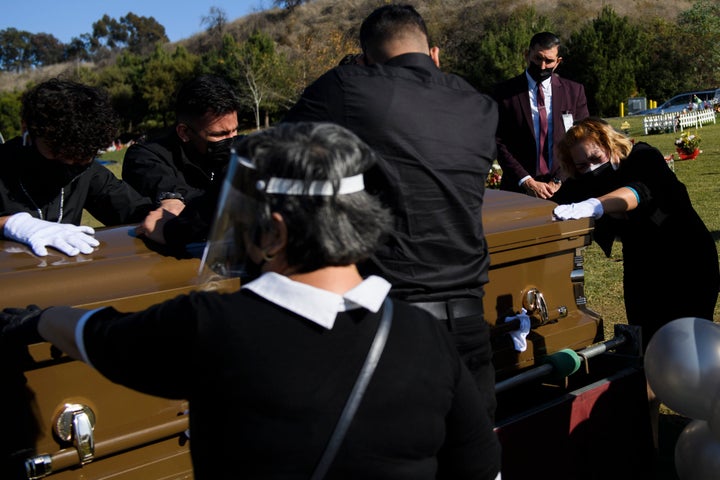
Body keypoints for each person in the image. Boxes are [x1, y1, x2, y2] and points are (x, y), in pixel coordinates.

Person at [0, 122, 502, 480]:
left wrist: (40, 319)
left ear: (274, 231)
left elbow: (98, 336)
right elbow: (480, 468)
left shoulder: (213, 327)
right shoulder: (425, 335)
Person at [282, 4, 499, 421]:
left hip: (394, 325)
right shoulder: (480, 106)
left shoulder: (347, 87)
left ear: (365, 62)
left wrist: (175, 223)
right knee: (476, 457)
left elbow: (266, 162)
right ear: (434, 55)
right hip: (472, 321)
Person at [551, 117, 720, 448]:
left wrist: (596, 205)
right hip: (643, 267)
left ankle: (709, 423)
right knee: (645, 349)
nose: (589, 169)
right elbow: (554, 206)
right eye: (580, 164)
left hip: (688, 261)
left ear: (611, 145)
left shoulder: (644, 157)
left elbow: (637, 192)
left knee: (695, 347)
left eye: (596, 159)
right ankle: (650, 440)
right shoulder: (584, 181)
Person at [0, 79, 153, 257]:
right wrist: (10, 224)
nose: (68, 167)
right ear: (27, 129)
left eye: (80, 160)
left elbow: (134, 209)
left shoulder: (88, 173)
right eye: (58, 154)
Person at [123, 75, 243, 249]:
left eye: (235, 131)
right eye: (220, 135)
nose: (231, 140)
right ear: (184, 132)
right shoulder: (145, 156)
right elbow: (167, 189)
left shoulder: (243, 151)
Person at [493, 32, 589, 199]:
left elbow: (583, 138)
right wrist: (527, 181)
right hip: (518, 189)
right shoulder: (503, 93)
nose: (543, 66)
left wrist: (559, 179)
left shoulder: (574, 92)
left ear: (558, 62)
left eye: (549, 61)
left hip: (565, 187)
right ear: (527, 55)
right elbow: (497, 141)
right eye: (538, 58)